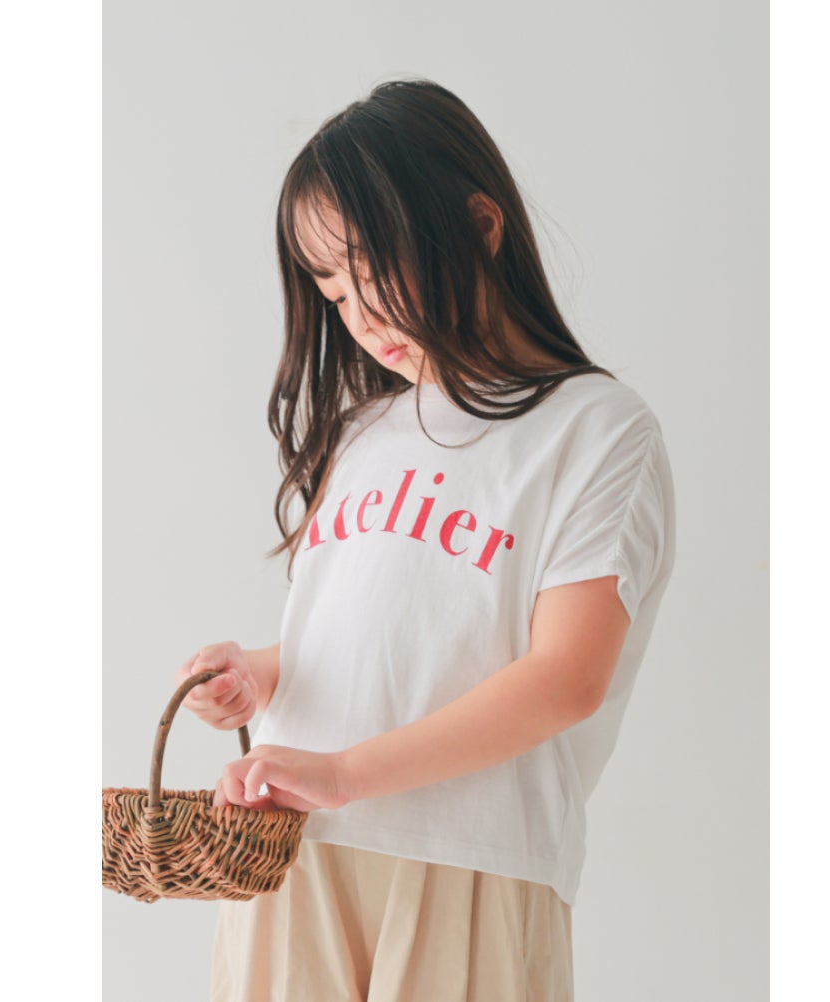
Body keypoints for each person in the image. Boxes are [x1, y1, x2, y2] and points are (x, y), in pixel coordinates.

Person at [175, 78, 676, 1002]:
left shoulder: (596, 429)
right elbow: (391, 634)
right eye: (331, 289)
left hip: (474, 851)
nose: (359, 316)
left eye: (371, 271)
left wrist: (344, 773)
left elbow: (567, 676)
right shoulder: (365, 432)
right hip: (292, 848)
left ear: (480, 225)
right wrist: (262, 673)